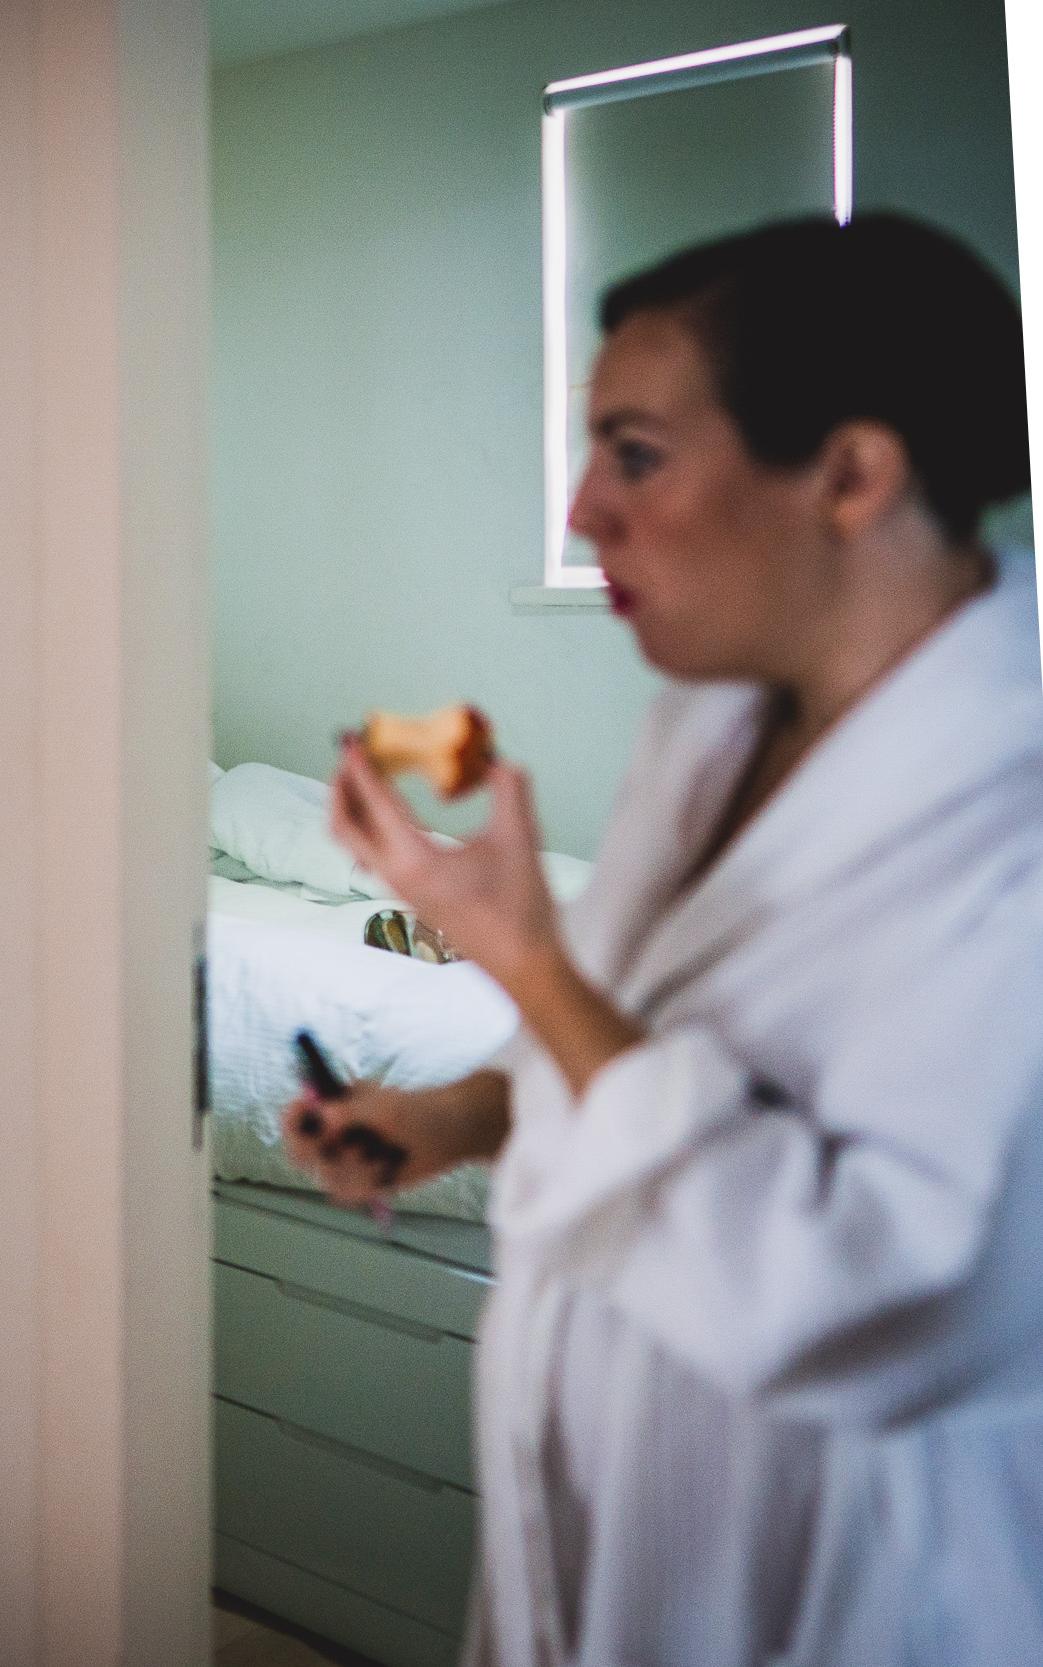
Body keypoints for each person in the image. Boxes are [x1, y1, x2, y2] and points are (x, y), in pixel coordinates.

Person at [284, 213, 1043, 1664]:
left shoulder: (1012, 829)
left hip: (856, 1584)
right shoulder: (705, 719)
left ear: (851, 472)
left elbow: (856, 1295)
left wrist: (528, 960)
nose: (579, 511)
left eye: (634, 452)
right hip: (600, 1545)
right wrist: (449, 1110)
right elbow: (642, 1045)